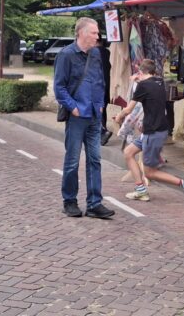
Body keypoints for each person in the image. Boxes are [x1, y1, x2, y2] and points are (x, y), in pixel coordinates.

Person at [53, 17, 115, 219]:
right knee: (72, 160)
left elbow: (100, 82)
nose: (98, 36)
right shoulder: (66, 55)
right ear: (81, 33)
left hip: (95, 115)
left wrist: (100, 105)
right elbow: (59, 87)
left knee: (95, 160)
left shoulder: (96, 54)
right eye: (94, 33)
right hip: (77, 116)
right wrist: (74, 108)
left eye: (98, 33)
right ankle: (69, 201)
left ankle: (94, 204)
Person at [115, 59, 184, 202]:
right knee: (128, 153)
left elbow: (128, 109)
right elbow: (148, 91)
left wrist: (119, 117)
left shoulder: (142, 86)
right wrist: (138, 80)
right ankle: (140, 190)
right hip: (157, 129)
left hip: (152, 132)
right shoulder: (159, 82)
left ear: (140, 72)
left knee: (150, 172)